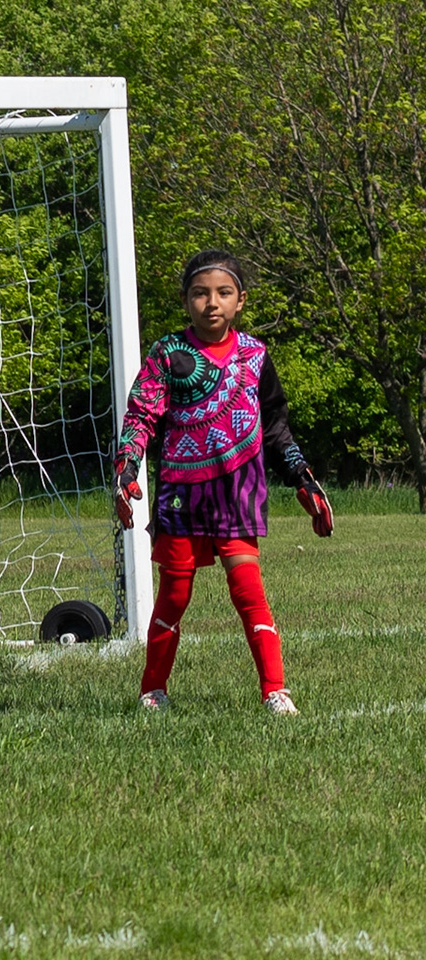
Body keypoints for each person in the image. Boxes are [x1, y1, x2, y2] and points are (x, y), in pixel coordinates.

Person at [115, 249, 332, 715]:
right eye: (200, 293)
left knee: (248, 588)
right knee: (174, 594)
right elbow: (142, 415)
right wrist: (127, 465)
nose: (211, 302)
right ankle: (152, 690)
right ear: (185, 300)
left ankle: (276, 691)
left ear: (240, 301)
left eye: (223, 293)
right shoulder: (167, 353)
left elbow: (275, 428)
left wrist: (303, 478)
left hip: (239, 492)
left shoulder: (256, 356)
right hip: (181, 495)